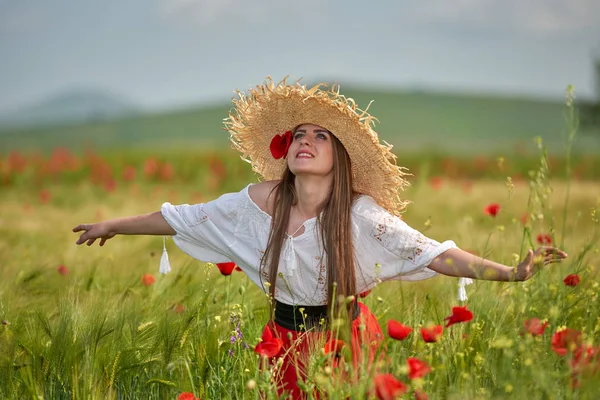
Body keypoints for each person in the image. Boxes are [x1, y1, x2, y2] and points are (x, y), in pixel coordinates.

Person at [73, 77, 568, 399]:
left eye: (320, 136)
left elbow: (433, 254)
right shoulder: (257, 201)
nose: (304, 141)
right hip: (282, 341)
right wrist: (113, 225)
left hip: (345, 340)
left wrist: (510, 272)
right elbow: (187, 218)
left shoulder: (359, 213)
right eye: (299, 134)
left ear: (341, 157)